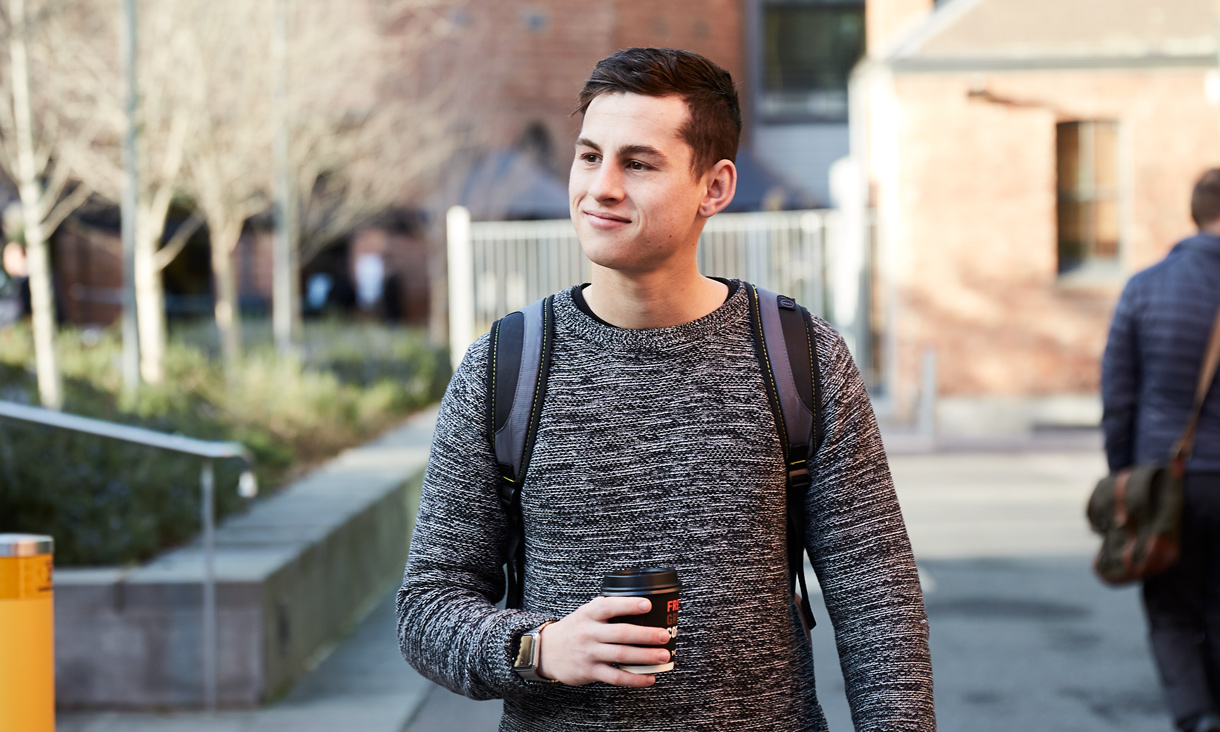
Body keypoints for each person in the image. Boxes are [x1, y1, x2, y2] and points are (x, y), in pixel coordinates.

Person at [397, 47, 934, 731]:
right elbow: (428, 605)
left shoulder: (801, 357)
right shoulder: (504, 366)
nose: (602, 187)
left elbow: (877, 599)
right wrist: (538, 645)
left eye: (638, 163)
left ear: (714, 186)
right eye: (589, 157)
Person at [1102, 168, 1220, 732]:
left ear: (1195, 213)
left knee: (1170, 605)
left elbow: (1118, 398)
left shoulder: (1145, 287)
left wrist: (1124, 481)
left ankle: (1194, 714)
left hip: (1163, 480)